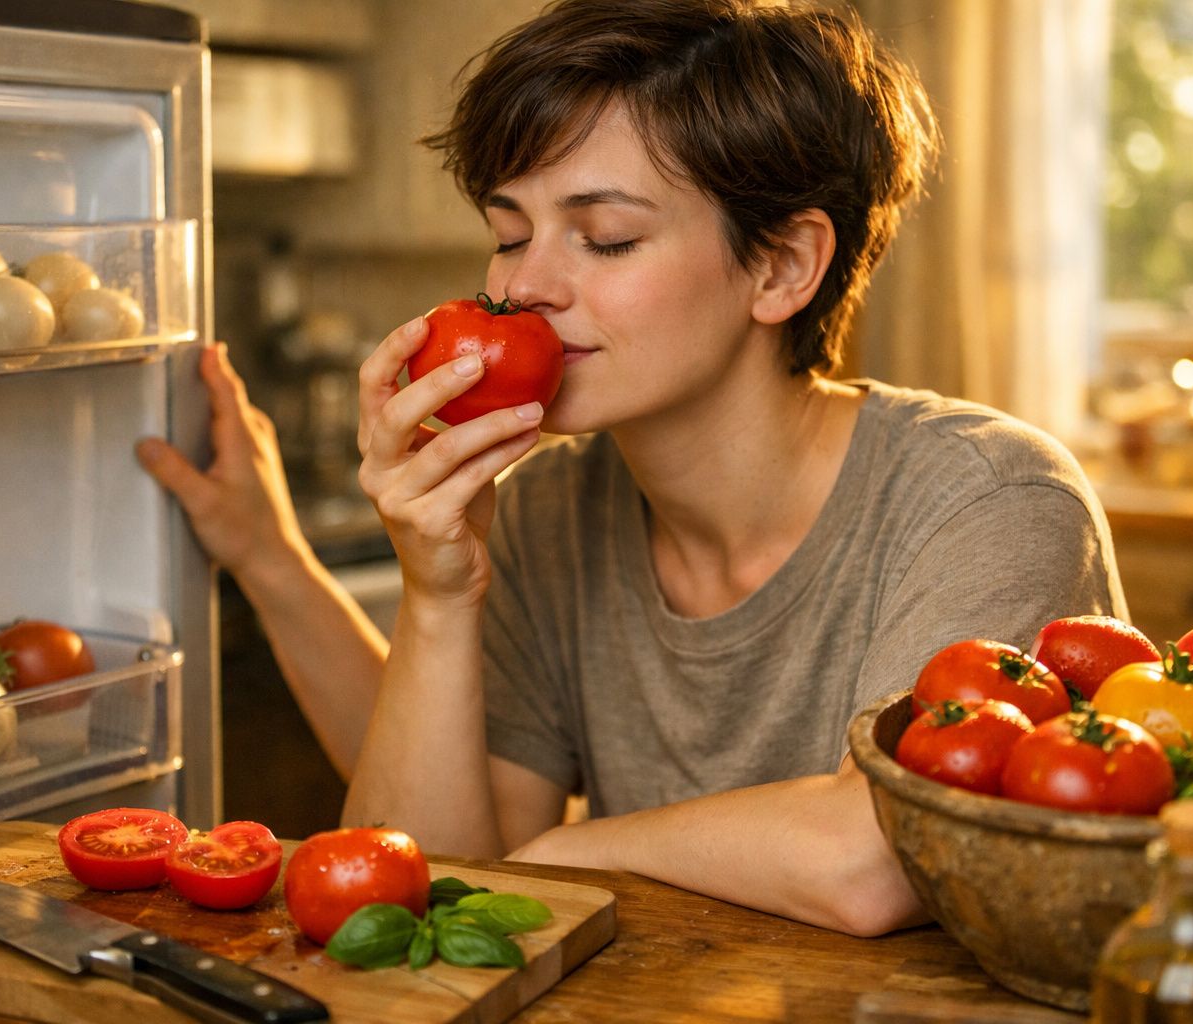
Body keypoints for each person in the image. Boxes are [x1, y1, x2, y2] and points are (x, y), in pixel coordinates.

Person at [137, 0, 1127, 937]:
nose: (522, 287)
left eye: (607, 237)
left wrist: (566, 848)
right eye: (509, 234)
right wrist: (439, 590)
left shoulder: (987, 499)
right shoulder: (548, 510)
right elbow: (430, 892)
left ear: (782, 267)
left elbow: (881, 853)